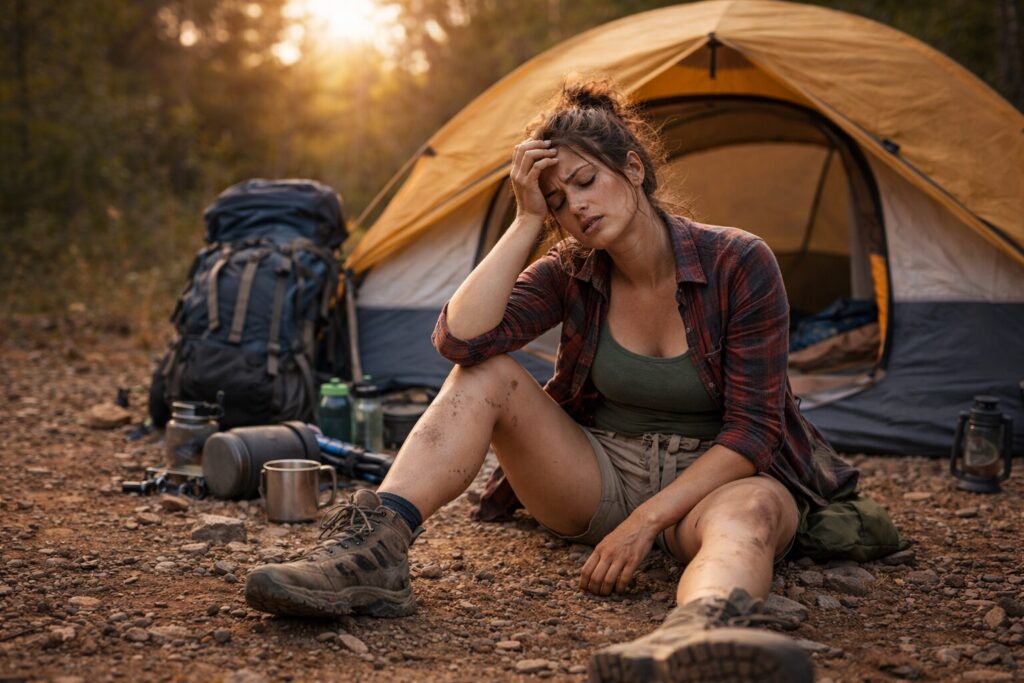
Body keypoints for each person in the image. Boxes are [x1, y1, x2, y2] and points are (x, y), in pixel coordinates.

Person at [245, 79, 868, 682]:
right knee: (485, 371)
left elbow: (754, 434)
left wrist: (646, 521)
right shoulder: (570, 270)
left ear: (634, 169)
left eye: (585, 181)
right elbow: (460, 340)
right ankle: (373, 551)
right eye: (558, 202)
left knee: (755, 509)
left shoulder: (738, 261)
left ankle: (698, 636)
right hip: (599, 473)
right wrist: (523, 222)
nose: (577, 208)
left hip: (715, 484)